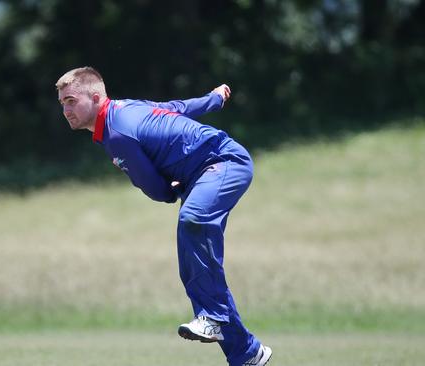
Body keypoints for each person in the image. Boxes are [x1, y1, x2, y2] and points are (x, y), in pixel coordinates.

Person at [55, 66, 272, 366]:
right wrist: (213, 100)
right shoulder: (125, 108)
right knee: (193, 263)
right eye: (62, 103)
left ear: (95, 97)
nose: (65, 109)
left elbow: (154, 187)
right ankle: (246, 353)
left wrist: (169, 192)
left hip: (224, 162)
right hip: (204, 173)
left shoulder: (117, 135)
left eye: (70, 100)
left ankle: (212, 317)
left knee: (192, 220)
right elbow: (175, 108)